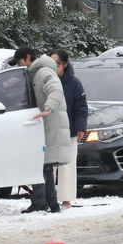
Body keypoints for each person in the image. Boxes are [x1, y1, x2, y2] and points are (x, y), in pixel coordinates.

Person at [8, 47, 70, 213]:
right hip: (44, 124)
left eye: (20, 62)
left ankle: (41, 202)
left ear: (27, 58)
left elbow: (55, 89)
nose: (19, 66)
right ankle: (51, 204)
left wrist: (48, 108)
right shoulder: (36, 73)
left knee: (41, 165)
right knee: (45, 166)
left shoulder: (43, 73)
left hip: (49, 124)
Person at [49, 49, 88, 209]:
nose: (54, 67)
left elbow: (81, 107)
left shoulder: (74, 83)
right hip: (49, 130)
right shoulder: (46, 80)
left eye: (56, 63)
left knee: (67, 165)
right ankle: (48, 196)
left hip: (69, 130)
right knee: (49, 166)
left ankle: (66, 198)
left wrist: (80, 127)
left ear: (64, 64)